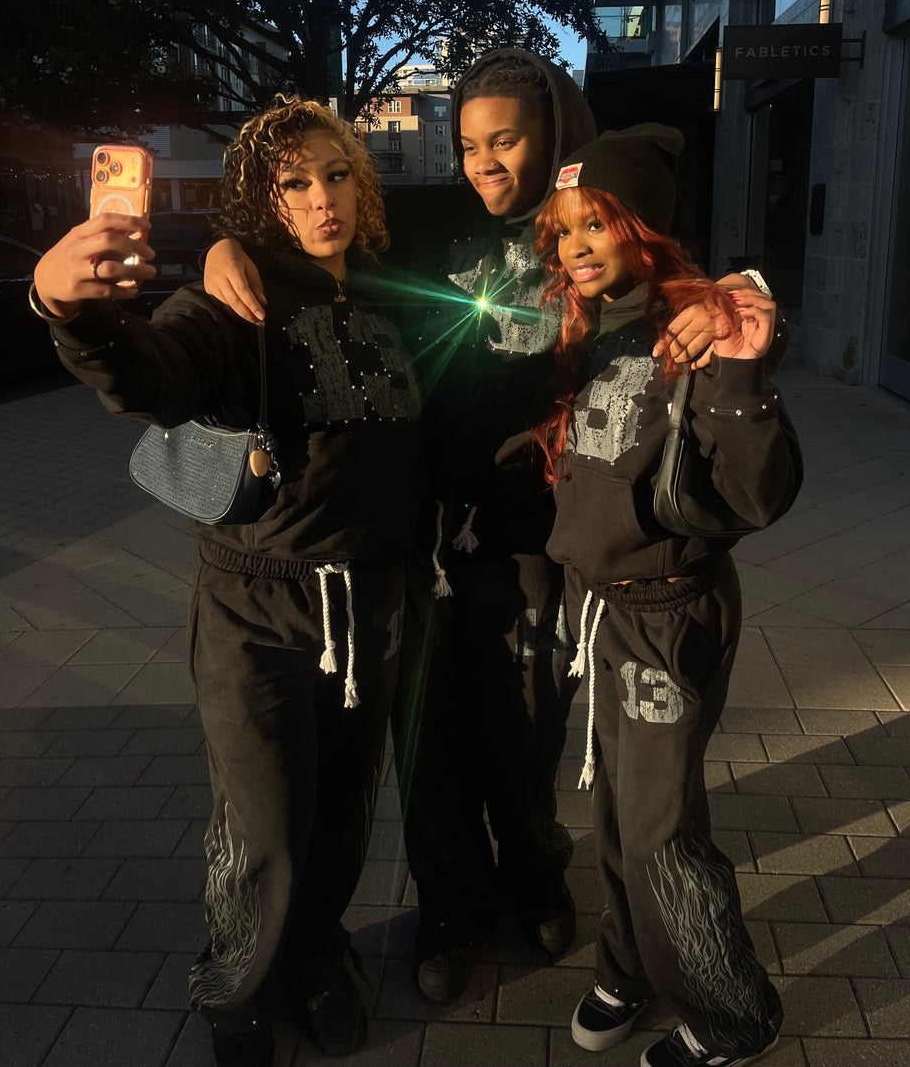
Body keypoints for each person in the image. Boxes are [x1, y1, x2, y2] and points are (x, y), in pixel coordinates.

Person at [201, 51, 765, 1003]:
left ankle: (535, 878)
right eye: (467, 144)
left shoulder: (581, 234)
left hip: (537, 545)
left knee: (525, 733)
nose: (484, 162)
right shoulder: (429, 222)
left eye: (505, 140)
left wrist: (741, 296)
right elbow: (313, 234)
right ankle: (449, 912)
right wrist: (223, 247)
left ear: (555, 137)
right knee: (429, 741)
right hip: (420, 540)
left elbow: (675, 279)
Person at [29, 97, 424, 1067]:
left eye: (336, 173)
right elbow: (153, 376)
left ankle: (315, 957)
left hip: (370, 605)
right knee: (261, 828)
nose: (322, 198)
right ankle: (236, 990)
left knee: (342, 815)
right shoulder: (237, 296)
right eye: (294, 183)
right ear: (262, 200)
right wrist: (69, 308)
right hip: (258, 609)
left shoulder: (390, 293)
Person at [523, 125, 802, 1067]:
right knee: (613, 813)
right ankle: (631, 964)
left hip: (670, 609)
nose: (576, 246)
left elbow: (757, 493)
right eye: (564, 230)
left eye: (596, 223)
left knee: (659, 830)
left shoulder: (695, 321)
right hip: (599, 611)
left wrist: (743, 353)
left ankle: (733, 1012)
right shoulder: (584, 326)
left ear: (640, 222)